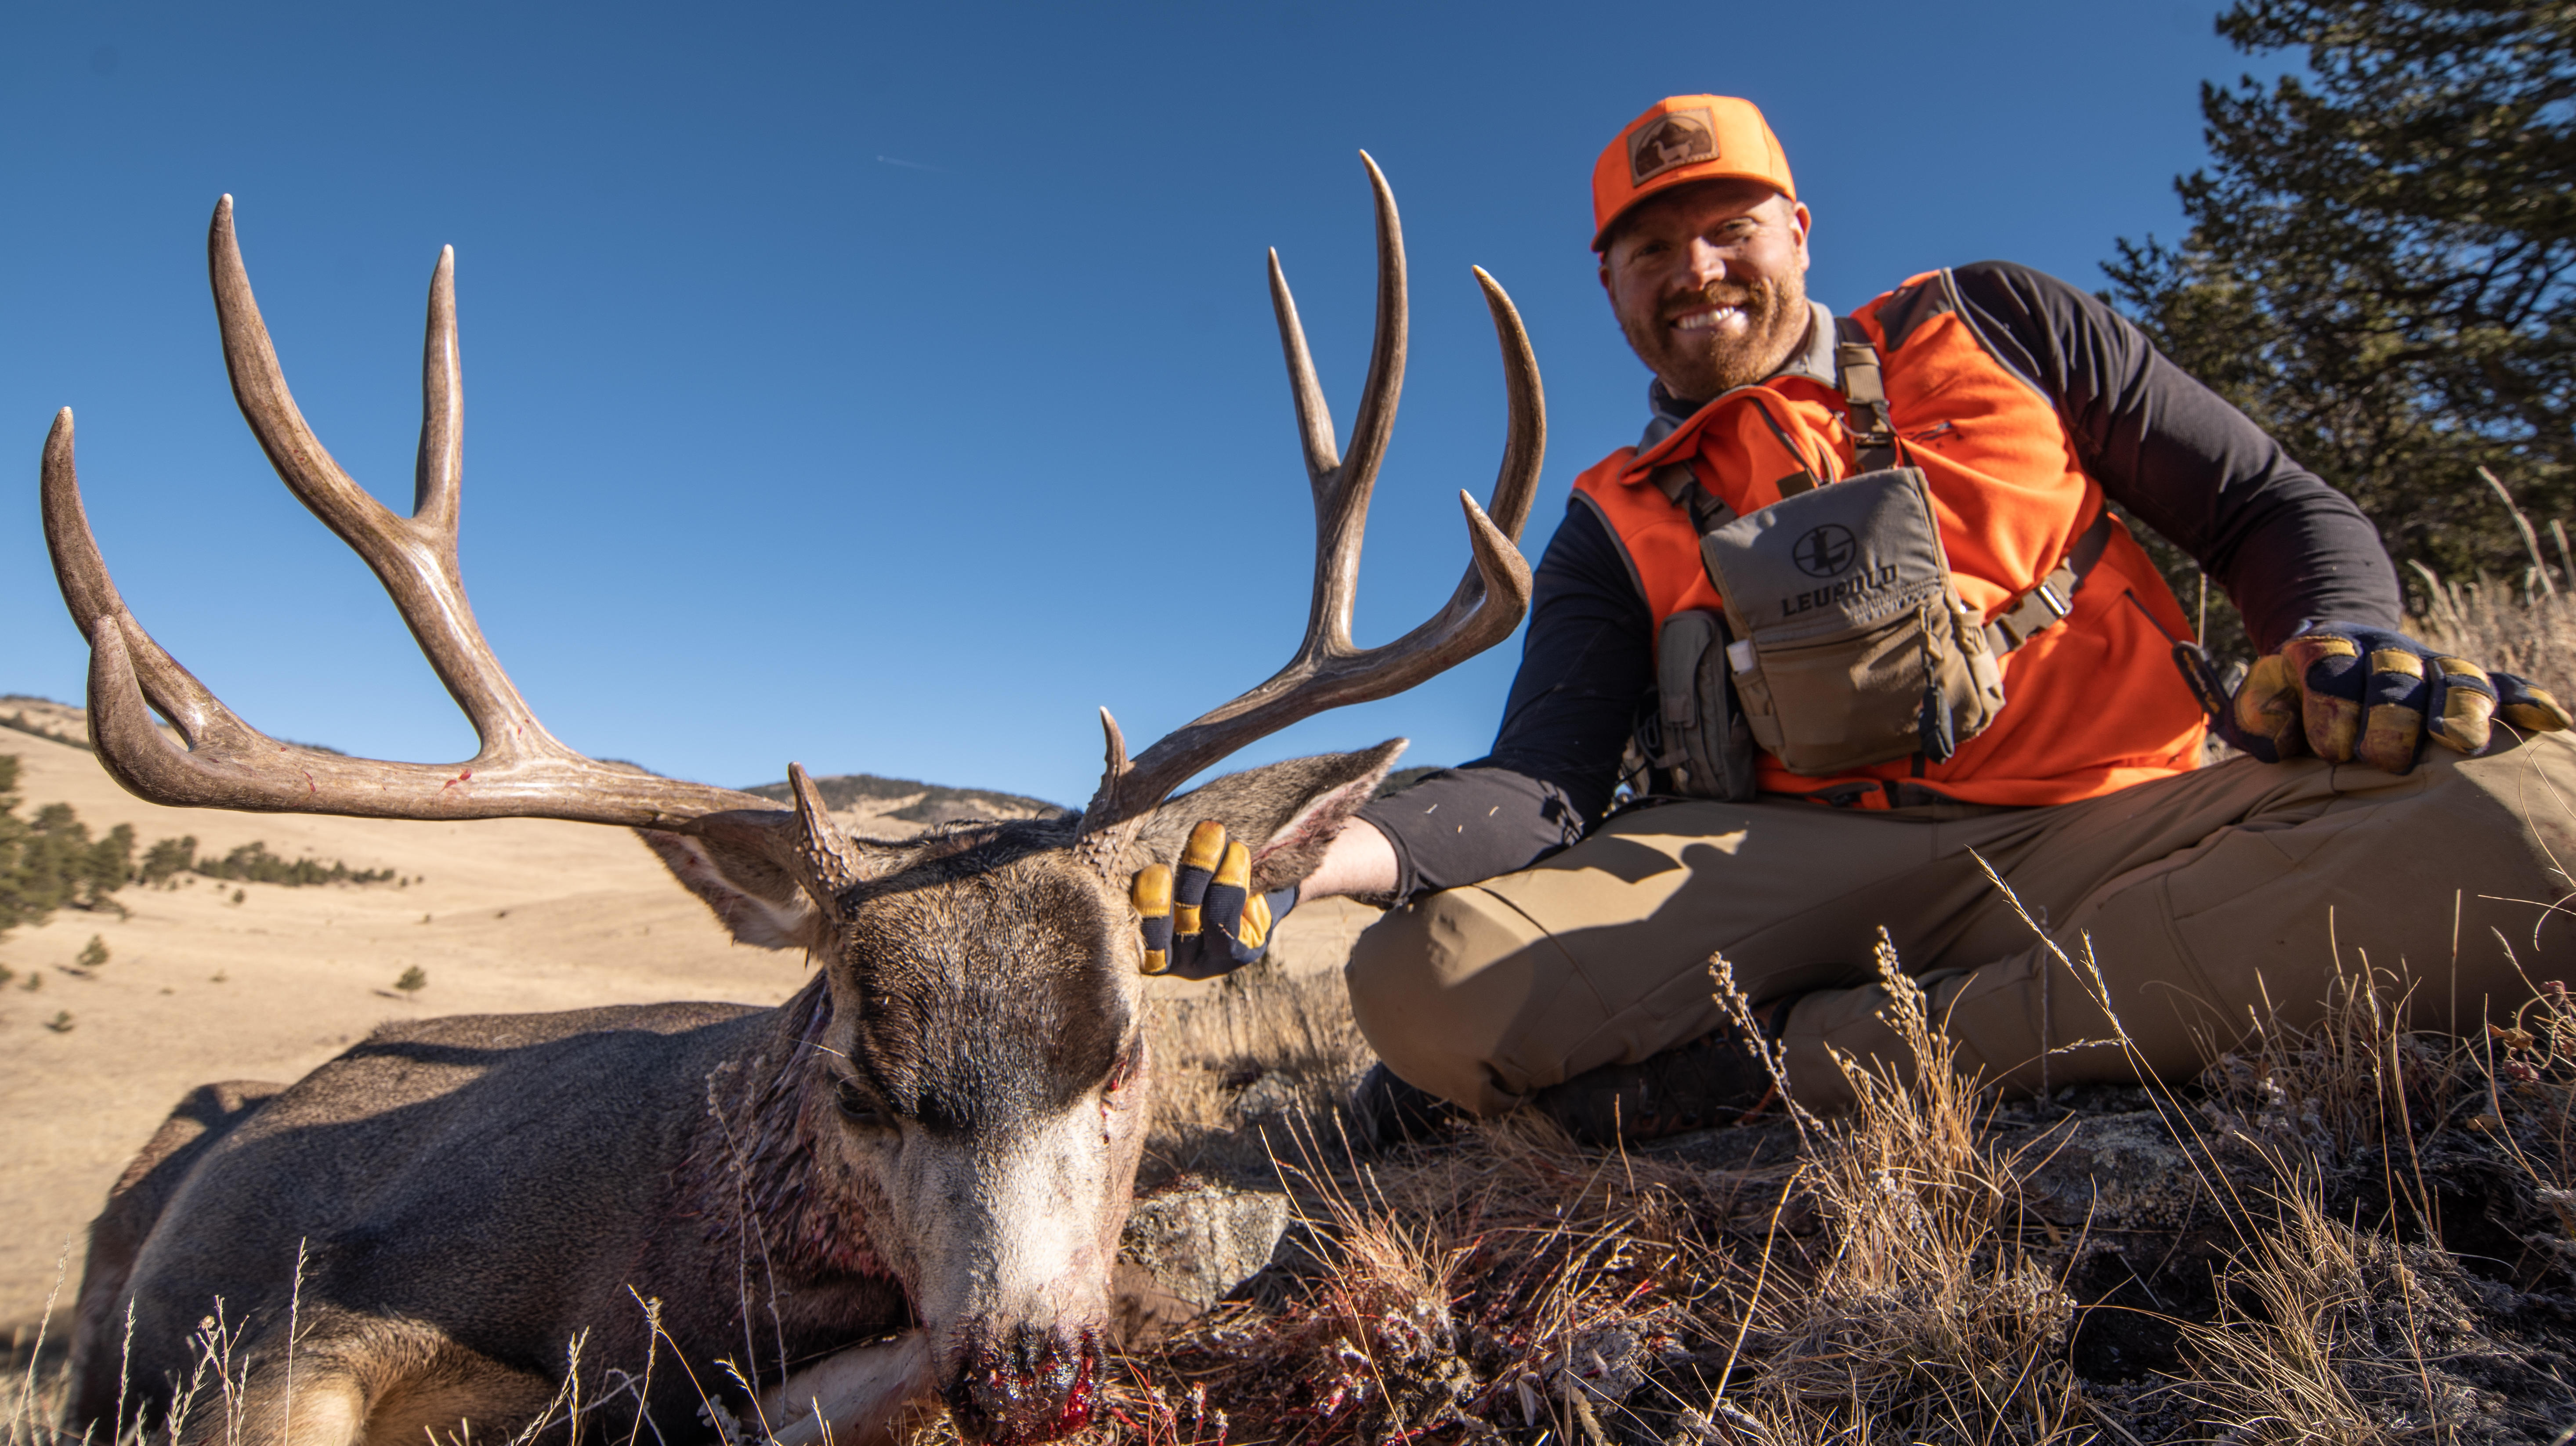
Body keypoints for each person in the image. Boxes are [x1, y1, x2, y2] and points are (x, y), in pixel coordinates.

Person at [1142, 95, 2576, 1147]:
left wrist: (2333, 636)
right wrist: (1321, 859)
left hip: (2125, 812)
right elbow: (1542, 789)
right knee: (1424, 982)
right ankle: (2102, 1002)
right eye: (1650, 250)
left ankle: (1812, 1058)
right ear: (1610, 286)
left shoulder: (1999, 324)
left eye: (1727, 227)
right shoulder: (1610, 515)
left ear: (1798, 230)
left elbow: (2272, 506)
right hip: (1793, 865)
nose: (1696, 269)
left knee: (2543, 823)